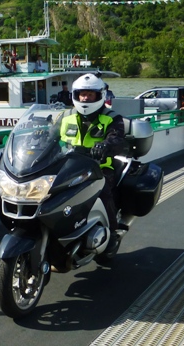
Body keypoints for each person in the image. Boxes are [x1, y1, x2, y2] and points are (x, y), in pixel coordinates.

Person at [60, 74, 127, 257]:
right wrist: (38, 138)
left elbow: (118, 139)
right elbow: (52, 136)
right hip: (69, 166)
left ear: (100, 95)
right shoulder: (66, 116)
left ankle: (112, 233)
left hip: (100, 166)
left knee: (102, 190)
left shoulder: (111, 118)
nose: (85, 98)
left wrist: (105, 145)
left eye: (90, 95)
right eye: (82, 94)